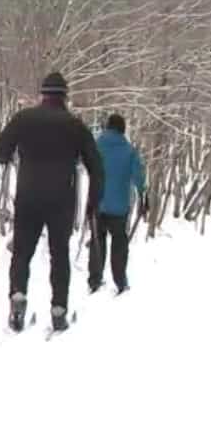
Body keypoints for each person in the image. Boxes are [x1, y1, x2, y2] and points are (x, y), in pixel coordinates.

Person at [0, 71, 103, 332]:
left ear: (42, 94)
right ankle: (59, 309)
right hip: (61, 200)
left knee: (22, 252)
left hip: (28, 196)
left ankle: (18, 296)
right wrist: (93, 202)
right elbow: (97, 167)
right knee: (59, 254)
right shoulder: (75, 125)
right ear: (65, 97)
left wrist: (12, 154)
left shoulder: (23, 119)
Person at [88, 113, 147, 295]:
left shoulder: (96, 146)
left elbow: (86, 166)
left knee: (97, 241)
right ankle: (120, 281)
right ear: (123, 129)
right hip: (120, 206)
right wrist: (144, 196)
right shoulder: (129, 151)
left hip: (97, 203)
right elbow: (139, 177)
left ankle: (95, 280)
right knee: (119, 243)